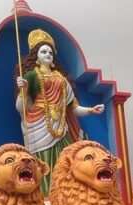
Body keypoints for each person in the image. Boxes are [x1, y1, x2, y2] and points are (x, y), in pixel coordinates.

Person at [15, 29, 105, 194]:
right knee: (43, 162)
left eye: (50, 52)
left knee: (65, 161)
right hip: (38, 126)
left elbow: (74, 108)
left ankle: (66, 195)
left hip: (61, 128)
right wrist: (23, 90)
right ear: (36, 56)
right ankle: (45, 197)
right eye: (43, 51)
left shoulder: (61, 79)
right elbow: (21, 108)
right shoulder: (31, 77)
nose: (48, 54)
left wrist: (91, 110)